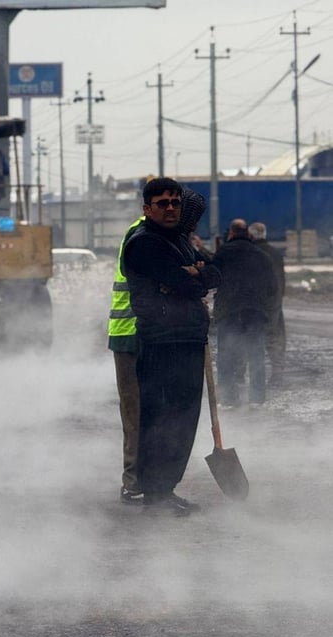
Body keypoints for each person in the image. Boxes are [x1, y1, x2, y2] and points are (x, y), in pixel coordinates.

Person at [122, 178, 220, 516]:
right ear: (147, 208)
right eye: (162, 202)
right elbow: (186, 284)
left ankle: (166, 488)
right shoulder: (144, 243)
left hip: (188, 338)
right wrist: (192, 277)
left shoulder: (179, 241)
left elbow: (213, 275)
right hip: (162, 340)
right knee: (160, 419)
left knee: (182, 420)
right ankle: (154, 495)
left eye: (175, 202)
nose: (170, 208)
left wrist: (196, 273)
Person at [210, 218, 277, 407]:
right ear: (248, 233)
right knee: (256, 355)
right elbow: (272, 285)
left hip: (229, 312)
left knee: (226, 356)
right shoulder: (261, 255)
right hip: (255, 312)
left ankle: (229, 399)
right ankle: (256, 398)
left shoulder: (223, 253)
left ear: (231, 233)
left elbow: (211, 278)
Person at [109, 214, 146, 504]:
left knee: (154, 410)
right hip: (130, 334)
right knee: (135, 411)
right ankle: (133, 482)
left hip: (149, 335)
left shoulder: (157, 232)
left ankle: (155, 481)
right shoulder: (142, 234)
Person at [249, 222, 287, 387]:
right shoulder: (275, 253)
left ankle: (249, 376)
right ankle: (277, 373)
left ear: (251, 235)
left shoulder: (251, 253)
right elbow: (281, 279)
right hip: (275, 301)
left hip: (255, 302)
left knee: (250, 337)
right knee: (275, 337)